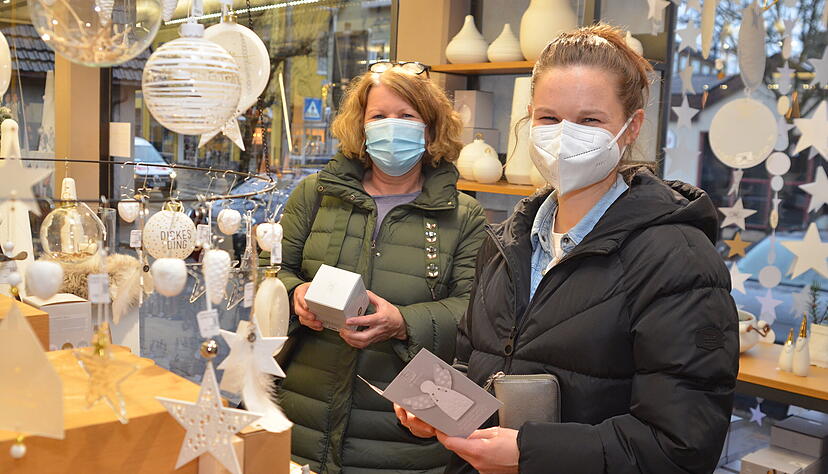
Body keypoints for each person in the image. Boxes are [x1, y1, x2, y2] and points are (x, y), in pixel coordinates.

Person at [396, 24, 739, 474]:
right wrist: (437, 409)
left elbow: (681, 446)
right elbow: (474, 362)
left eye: (590, 120)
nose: (564, 137)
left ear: (631, 126)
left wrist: (529, 455)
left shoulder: (679, 261)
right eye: (549, 118)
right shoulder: (507, 242)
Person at [274, 61, 487, 474]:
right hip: (300, 421)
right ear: (361, 125)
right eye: (379, 116)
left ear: (430, 129)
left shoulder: (465, 217)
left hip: (405, 440)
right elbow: (269, 268)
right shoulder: (315, 196)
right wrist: (292, 293)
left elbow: (476, 314)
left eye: (407, 116)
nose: (393, 126)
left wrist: (403, 322)